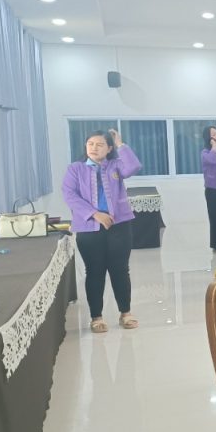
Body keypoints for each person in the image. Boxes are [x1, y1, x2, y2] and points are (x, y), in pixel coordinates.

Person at [62, 129, 142, 333]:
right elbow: (69, 195)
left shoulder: (115, 165)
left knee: (120, 270)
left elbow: (133, 167)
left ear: (109, 148)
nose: (94, 148)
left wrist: (121, 145)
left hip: (119, 224)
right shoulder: (75, 169)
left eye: (99, 144)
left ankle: (125, 313)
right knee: (94, 271)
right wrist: (94, 214)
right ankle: (96, 317)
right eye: (90, 144)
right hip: (89, 227)